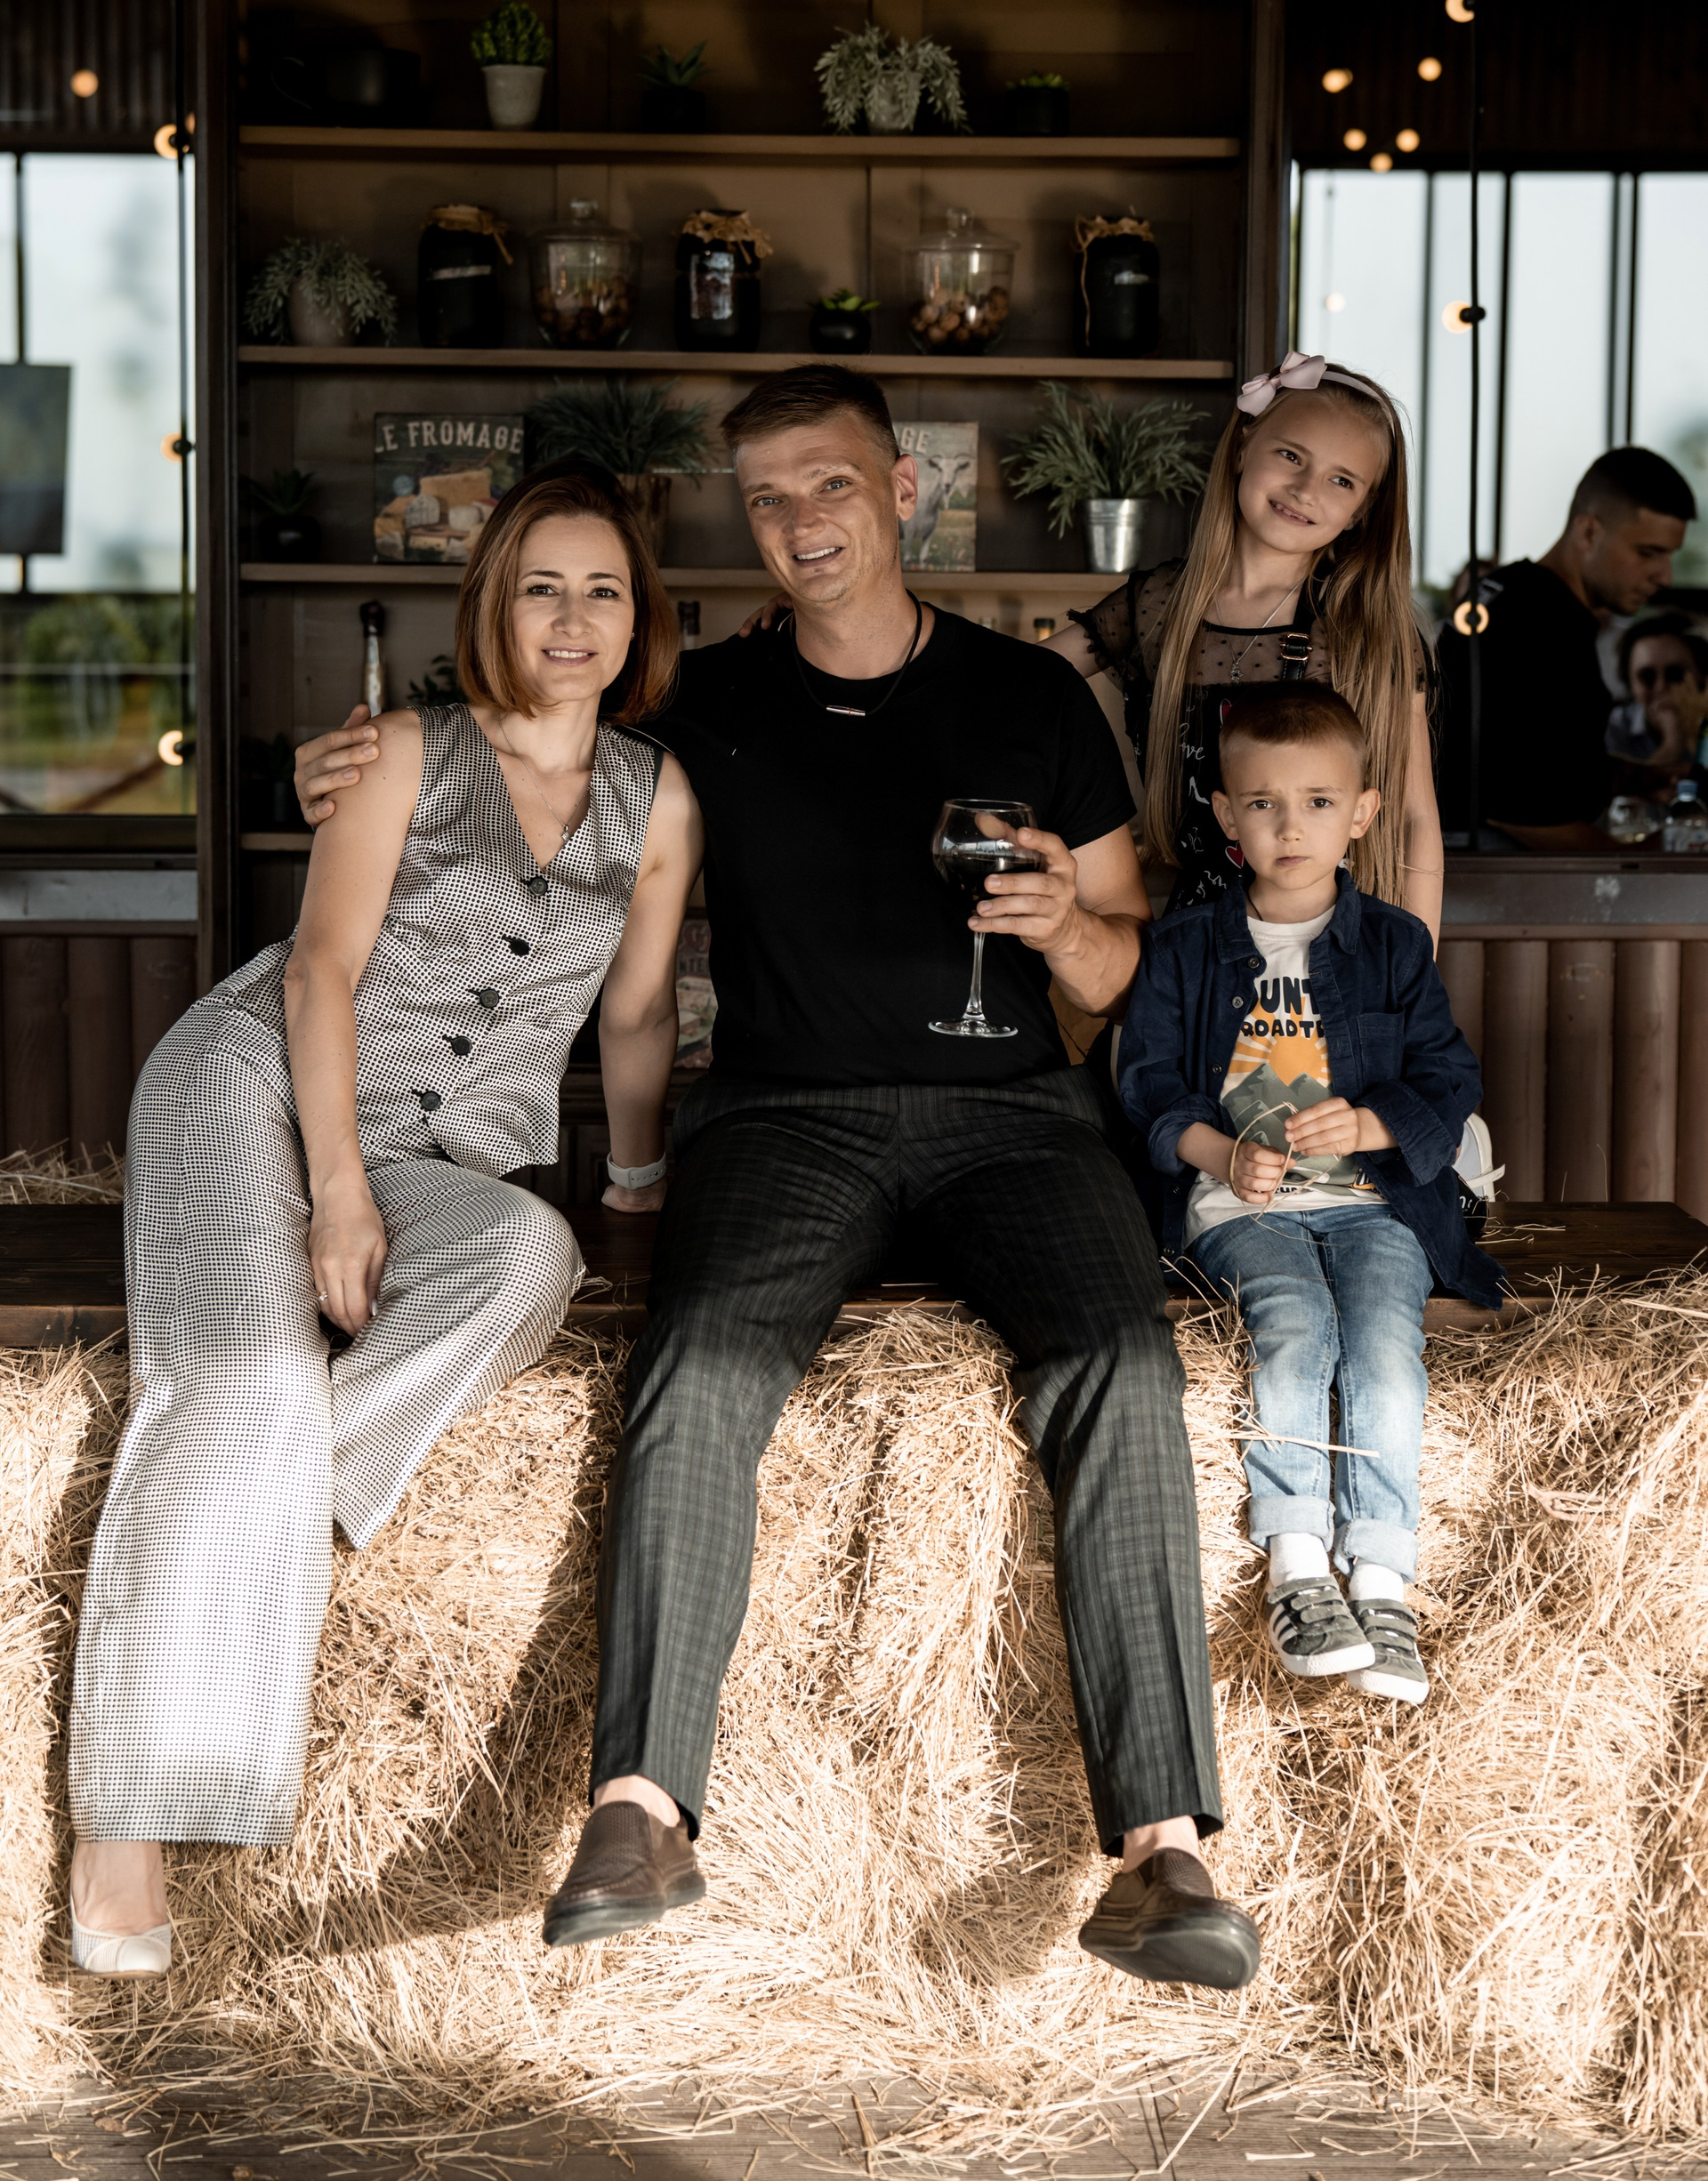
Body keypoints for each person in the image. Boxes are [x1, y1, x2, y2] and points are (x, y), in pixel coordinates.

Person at [296, 361, 1263, 1995]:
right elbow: (526, 751)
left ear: (902, 490)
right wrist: (356, 770)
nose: (801, 520)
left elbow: (1123, 975)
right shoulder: (705, 711)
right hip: (781, 1117)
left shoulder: (1033, 699)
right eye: (766, 497)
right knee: (695, 1370)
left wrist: (1063, 930)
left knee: (1121, 1361)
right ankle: (639, 1809)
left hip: (1019, 1114)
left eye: (830, 483)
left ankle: (1162, 1849)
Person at [66, 467, 700, 1977]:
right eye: (540, 587)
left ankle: (264, 1512)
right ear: (492, 605)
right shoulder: (408, 752)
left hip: (452, 1155)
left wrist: (635, 1185)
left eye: (603, 590)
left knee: (531, 1256)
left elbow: (634, 1018)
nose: (571, 618)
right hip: (259, 1088)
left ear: (639, 620)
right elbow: (319, 972)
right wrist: (338, 1190)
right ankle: (125, 1823)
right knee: (242, 1380)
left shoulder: (660, 797)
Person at [1118, 682, 1500, 1712]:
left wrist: (1372, 1126)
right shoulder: (1185, 947)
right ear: (1226, 816)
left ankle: (1380, 1580)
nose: (1291, 828)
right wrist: (1219, 1152)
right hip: (1243, 1210)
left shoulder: (1393, 947)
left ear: (1363, 813)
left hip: (1376, 1203)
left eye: (1319, 803)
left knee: (1381, 1346)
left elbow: (1449, 1077)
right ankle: (1296, 1564)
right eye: (1264, 804)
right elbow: (1148, 1087)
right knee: (1293, 1328)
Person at [1043, 352, 1443, 943]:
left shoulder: (1370, 631)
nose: (1305, 490)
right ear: (1242, 447)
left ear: (1362, 511)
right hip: (1193, 944)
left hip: (1338, 949)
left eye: (1341, 480)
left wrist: (1417, 972)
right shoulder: (1158, 604)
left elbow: (1414, 818)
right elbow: (1020, 679)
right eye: (1291, 456)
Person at [1436, 446, 1696, 848]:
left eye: (1670, 556)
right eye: (1648, 553)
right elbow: (1523, 808)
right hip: (1488, 870)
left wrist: (1629, 775)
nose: (1664, 576)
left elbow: (1528, 760)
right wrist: (1649, 860)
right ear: (1589, 532)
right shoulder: (1542, 624)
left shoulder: (1507, 593)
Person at [1605, 610, 1708, 785]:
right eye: (1647, 677)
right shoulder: (1611, 730)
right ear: (1630, 685)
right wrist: (1672, 744)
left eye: (1675, 675)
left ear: (1701, 677)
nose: (1661, 688)